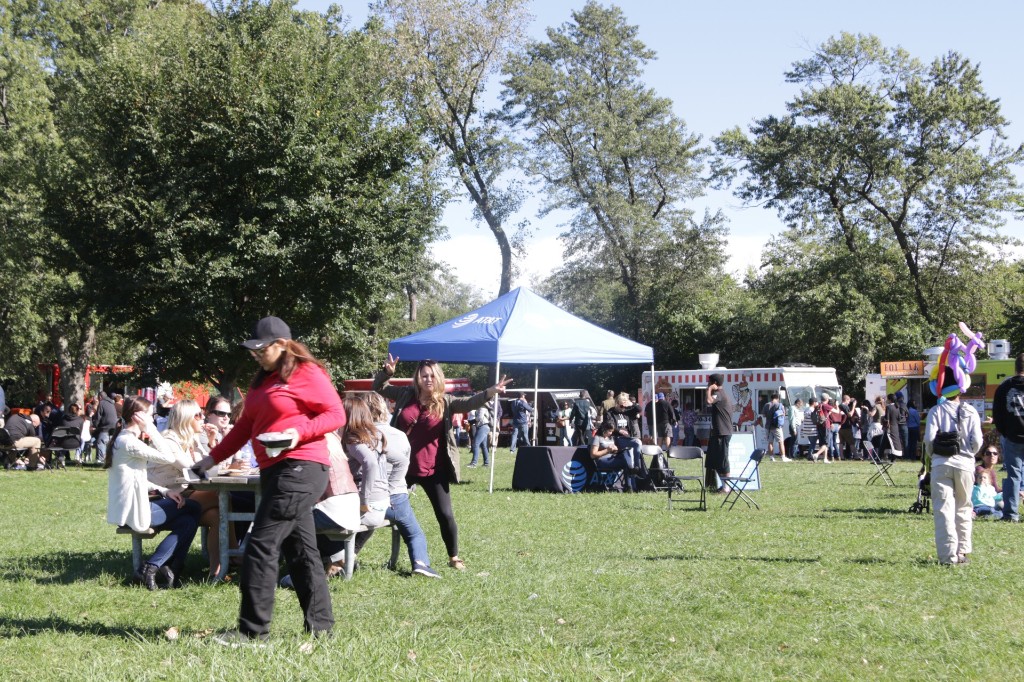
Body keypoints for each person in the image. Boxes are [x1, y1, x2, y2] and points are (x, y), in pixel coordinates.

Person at [193, 316, 345, 646]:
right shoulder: (262, 382)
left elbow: (336, 414)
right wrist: (210, 459)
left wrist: (296, 432)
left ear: (283, 345)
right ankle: (322, 630)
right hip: (275, 471)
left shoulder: (307, 373)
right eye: (253, 350)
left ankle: (252, 631)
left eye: (262, 349)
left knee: (260, 545)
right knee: (302, 552)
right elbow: (244, 427)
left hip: (303, 468)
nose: (256, 355)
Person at [374, 355, 511, 571]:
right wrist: (387, 372)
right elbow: (379, 386)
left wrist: (490, 392)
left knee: (445, 515)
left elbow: (469, 402)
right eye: (424, 375)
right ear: (417, 378)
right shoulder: (404, 395)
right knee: (377, 504)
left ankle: (453, 556)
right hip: (402, 468)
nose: (428, 379)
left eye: (432, 375)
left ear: (438, 378)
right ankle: (346, 555)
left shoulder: (444, 402)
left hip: (432, 468)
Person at [105, 396, 201, 589]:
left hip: (136, 506)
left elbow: (136, 478)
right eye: (151, 416)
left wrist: (165, 491)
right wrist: (151, 430)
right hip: (133, 511)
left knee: (188, 520)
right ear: (139, 417)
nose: (154, 419)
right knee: (194, 507)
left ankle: (160, 567)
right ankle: (160, 567)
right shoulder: (128, 442)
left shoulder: (126, 440)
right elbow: (167, 456)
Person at [350, 393, 440, 578]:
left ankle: (345, 557)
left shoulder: (360, 435)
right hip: (396, 496)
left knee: (367, 523)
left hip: (365, 496)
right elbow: (404, 463)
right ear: (384, 409)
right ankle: (420, 562)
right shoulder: (399, 435)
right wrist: (391, 490)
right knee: (414, 533)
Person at [151, 399, 227, 579]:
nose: (203, 419)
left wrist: (211, 442)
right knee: (221, 498)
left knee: (216, 514)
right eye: (198, 415)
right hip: (160, 499)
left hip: (180, 494)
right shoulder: (168, 440)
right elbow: (195, 470)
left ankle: (216, 570)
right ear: (186, 418)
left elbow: (208, 465)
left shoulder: (190, 439)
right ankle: (237, 557)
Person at [925, 366, 982, 565]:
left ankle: (947, 556)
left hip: (941, 463)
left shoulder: (935, 411)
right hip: (965, 464)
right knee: (964, 507)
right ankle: (962, 552)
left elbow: (929, 440)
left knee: (943, 509)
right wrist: (969, 454)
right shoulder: (971, 411)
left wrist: (935, 456)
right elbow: (977, 442)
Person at [993, 353, 1024, 523]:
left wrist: (1005, 432)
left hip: (1012, 437)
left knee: (1013, 476)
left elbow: (997, 413)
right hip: (1012, 435)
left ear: (1016, 367)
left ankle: (1011, 514)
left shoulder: (1004, 387)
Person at [602, 393, 644, 489]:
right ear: (616, 403)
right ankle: (634, 474)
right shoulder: (611, 412)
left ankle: (632, 482)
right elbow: (608, 425)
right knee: (637, 443)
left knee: (630, 460)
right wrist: (618, 430)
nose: (622, 408)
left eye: (624, 406)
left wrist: (631, 404)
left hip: (628, 439)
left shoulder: (626, 411)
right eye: (621, 405)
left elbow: (639, 409)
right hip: (617, 439)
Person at [705, 374, 733, 491]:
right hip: (718, 432)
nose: (707, 384)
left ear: (714, 383)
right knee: (714, 460)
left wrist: (710, 389)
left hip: (723, 432)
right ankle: (721, 485)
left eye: (709, 382)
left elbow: (709, 400)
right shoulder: (720, 394)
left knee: (722, 460)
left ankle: (726, 488)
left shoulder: (719, 394)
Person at [762, 394, 790, 462]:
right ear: (777, 398)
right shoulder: (779, 405)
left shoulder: (766, 405)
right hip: (776, 426)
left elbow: (763, 415)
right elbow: (783, 414)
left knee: (770, 442)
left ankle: (771, 457)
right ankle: (783, 457)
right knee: (781, 442)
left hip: (768, 426)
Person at [92, 391, 118, 464]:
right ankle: (110, 458)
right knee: (110, 444)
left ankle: (100, 459)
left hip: (106, 427)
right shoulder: (111, 403)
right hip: (114, 426)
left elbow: (98, 416)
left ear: (100, 397)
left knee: (100, 442)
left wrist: (95, 425)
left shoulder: (102, 403)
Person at [468, 401, 493, 468]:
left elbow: (479, 418)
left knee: (475, 443)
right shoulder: (482, 407)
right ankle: (486, 463)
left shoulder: (482, 408)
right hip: (483, 427)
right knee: (483, 446)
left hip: (483, 427)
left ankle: (473, 463)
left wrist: (471, 421)